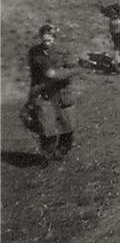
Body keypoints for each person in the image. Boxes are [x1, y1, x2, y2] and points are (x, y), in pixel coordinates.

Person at [26, 23, 78, 160]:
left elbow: (73, 70)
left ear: (54, 38)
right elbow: (34, 75)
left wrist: (56, 74)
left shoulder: (65, 50)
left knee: (68, 125)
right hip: (45, 93)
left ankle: (63, 150)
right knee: (46, 126)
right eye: (44, 41)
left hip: (62, 92)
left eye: (49, 40)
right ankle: (46, 153)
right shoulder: (34, 52)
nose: (47, 43)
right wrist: (32, 96)